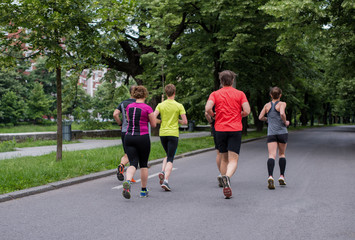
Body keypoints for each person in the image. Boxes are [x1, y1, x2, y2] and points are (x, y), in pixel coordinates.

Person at [205, 70, 250, 199]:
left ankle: (225, 183)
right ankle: (227, 178)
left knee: (224, 158)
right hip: (235, 128)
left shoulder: (215, 94)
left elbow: (207, 108)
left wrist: (214, 115)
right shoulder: (240, 94)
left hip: (219, 129)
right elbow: (247, 110)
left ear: (221, 81)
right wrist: (238, 114)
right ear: (232, 81)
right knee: (233, 159)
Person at [122, 86, 156, 199]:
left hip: (129, 137)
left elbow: (128, 120)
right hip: (142, 137)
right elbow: (154, 124)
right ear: (145, 95)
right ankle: (143, 191)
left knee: (132, 164)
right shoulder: (147, 108)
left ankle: (127, 181)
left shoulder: (129, 107)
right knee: (143, 165)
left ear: (134, 94)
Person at [154, 84, 187, 191]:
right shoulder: (179, 106)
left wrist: (161, 121)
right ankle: (166, 181)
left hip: (163, 133)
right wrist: (178, 121)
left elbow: (153, 118)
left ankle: (163, 171)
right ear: (174, 92)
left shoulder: (160, 105)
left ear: (166, 92)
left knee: (168, 155)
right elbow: (185, 122)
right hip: (173, 134)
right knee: (170, 159)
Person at [258, 86, 289, 190]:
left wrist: (268, 119)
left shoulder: (267, 105)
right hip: (282, 132)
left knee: (271, 155)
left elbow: (260, 117)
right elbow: (282, 113)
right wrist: (285, 122)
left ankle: (270, 176)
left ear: (271, 95)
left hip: (271, 133)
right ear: (280, 95)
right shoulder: (282, 104)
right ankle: (281, 176)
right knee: (282, 154)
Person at [113, 86, 136, 183]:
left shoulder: (123, 103)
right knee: (134, 154)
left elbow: (115, 114)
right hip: (135, 131)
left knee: (127, 152)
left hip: (124, 131)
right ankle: (124, 168)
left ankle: (123, 167)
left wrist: (120, 124)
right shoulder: (138, 104)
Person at [205, 107, 222, 187]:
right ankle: (226, 174)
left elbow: (206, 113)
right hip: (229, 125)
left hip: (217, 126)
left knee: (219, 152)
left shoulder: (214, 98)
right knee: (228, 153)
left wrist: (211, 122)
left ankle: (221, 173)